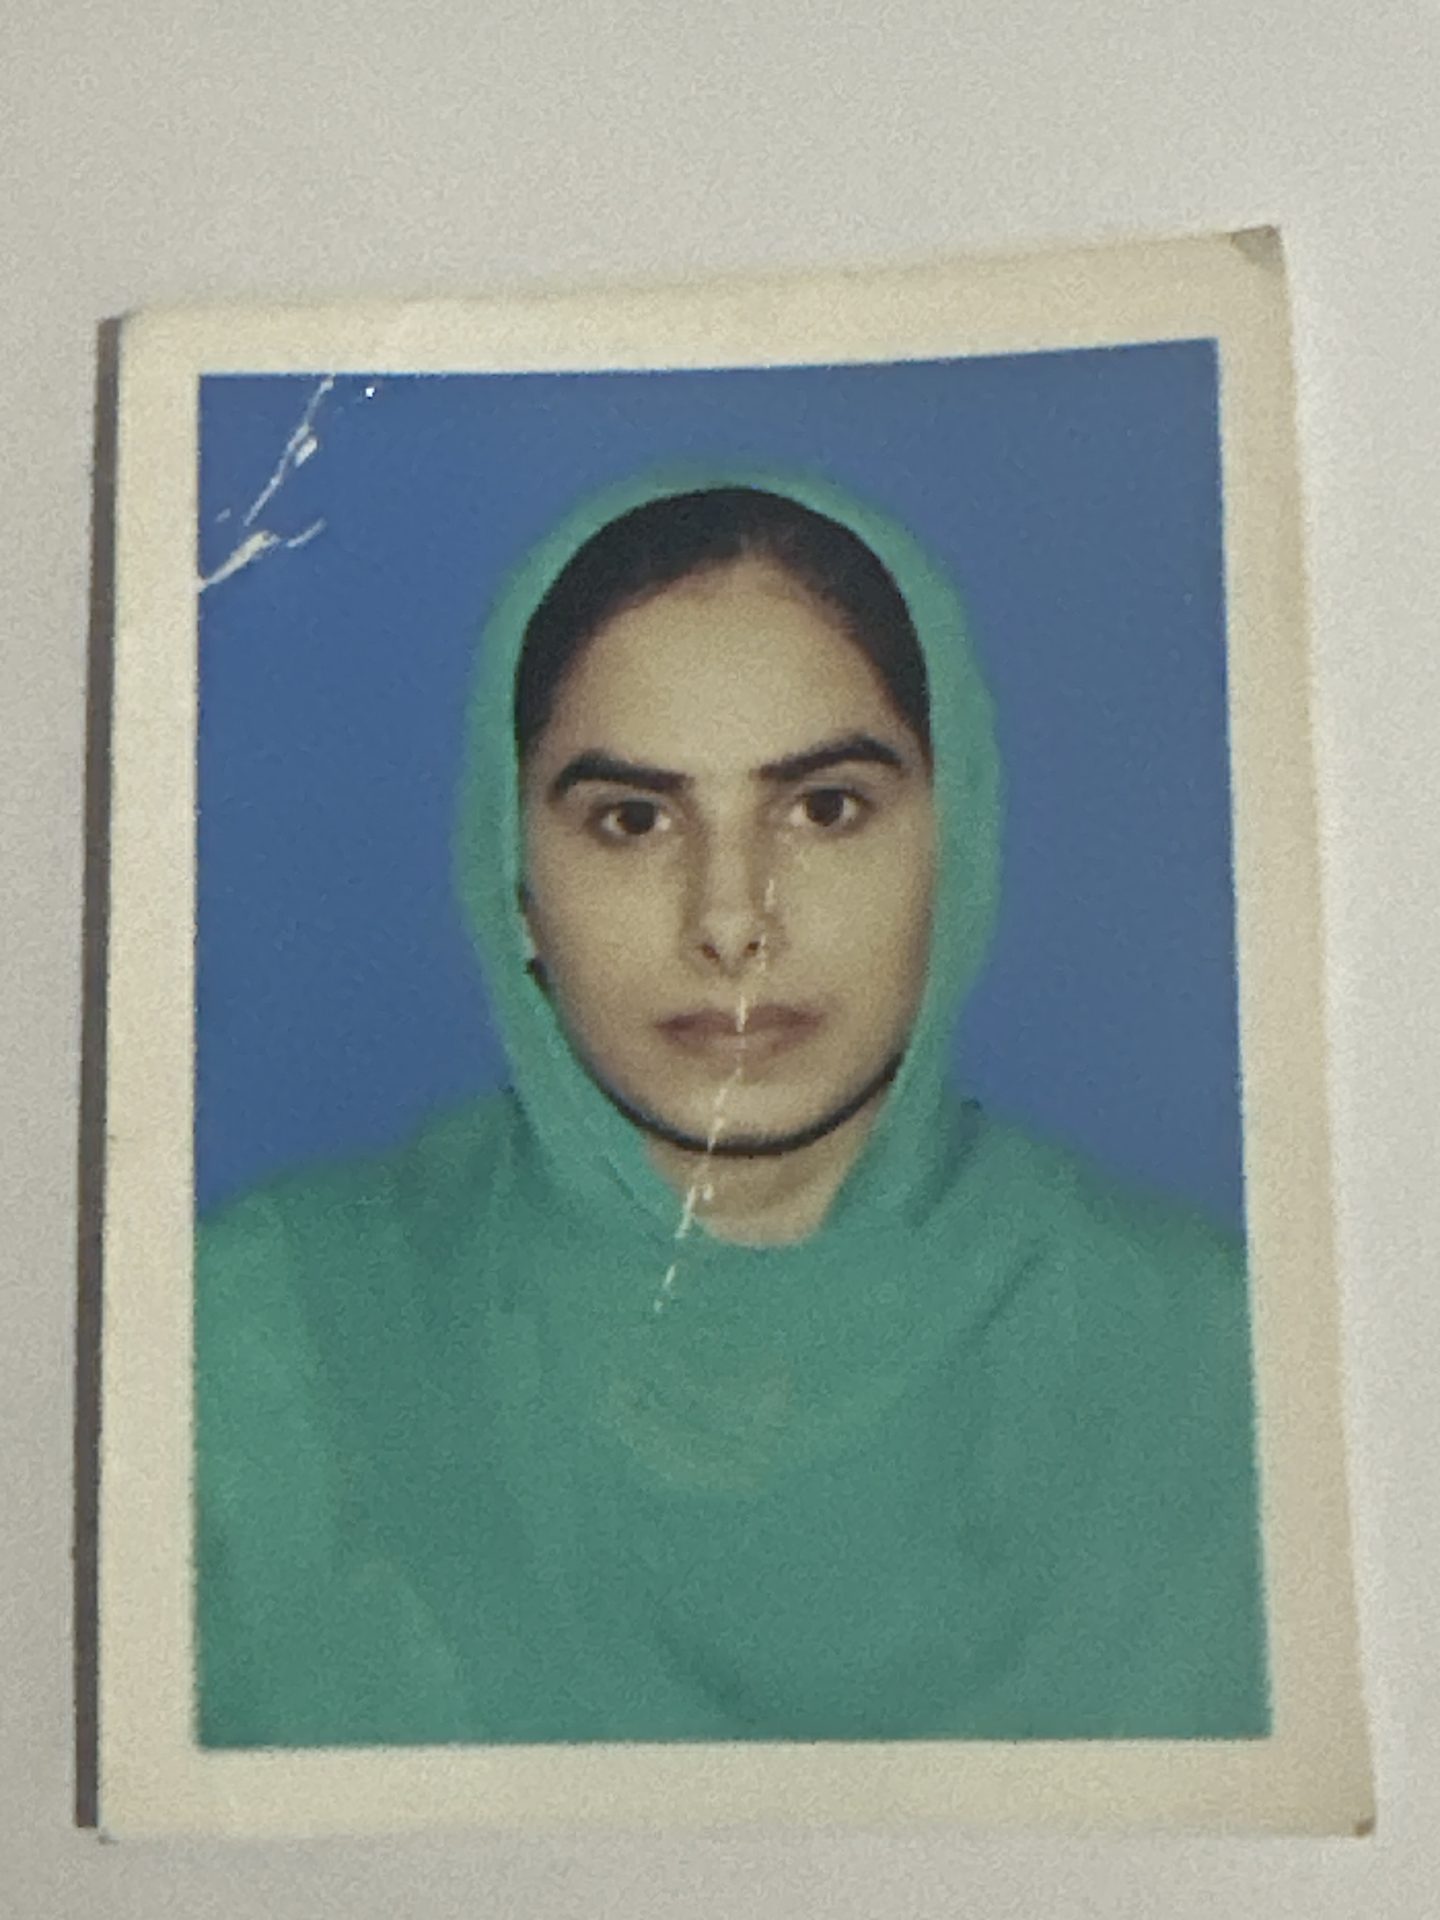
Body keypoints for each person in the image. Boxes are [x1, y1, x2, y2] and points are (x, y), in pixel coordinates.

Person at [195, 469, 1269, 1748]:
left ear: (956, 839)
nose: (729, 920)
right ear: (516, 881)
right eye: (632, 819)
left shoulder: (1213, 1365)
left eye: (824, 808)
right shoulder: (259, 1348)